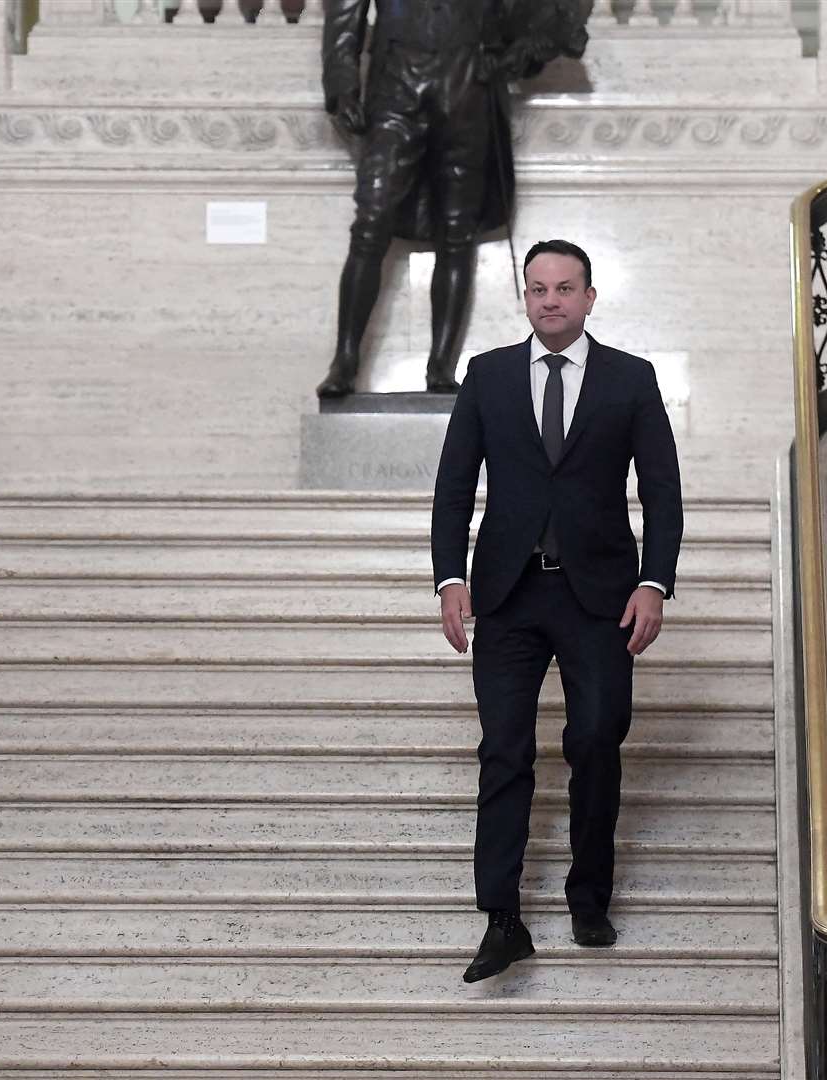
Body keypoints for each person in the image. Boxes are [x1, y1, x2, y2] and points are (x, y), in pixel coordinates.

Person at [429, 239, 684, 982]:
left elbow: (662, 495)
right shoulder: (487, 376)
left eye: (564, 287)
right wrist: (449, 578)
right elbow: (453, 487)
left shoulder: (629, 380)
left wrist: (654, 583)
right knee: (503, 751)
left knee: (596, 741)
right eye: (537, 288)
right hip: (507, 595)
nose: (550, 300)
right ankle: (501, 917)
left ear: (589, 297)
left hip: (598, 597)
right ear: (525, 297)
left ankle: (588, 898)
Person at [316, 0, 590, 399]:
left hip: (468, 82)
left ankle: (441, 366)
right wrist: (342, 85)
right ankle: (345, 361)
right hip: (395, 80)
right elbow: (345, 12)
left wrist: (520, 51)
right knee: (372, 220)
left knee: (457, 231)